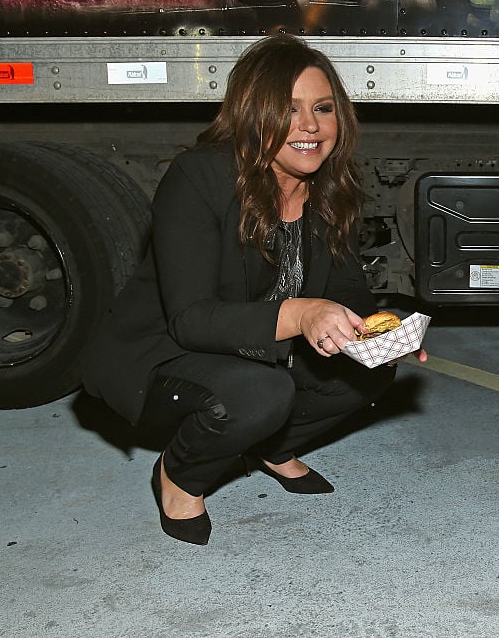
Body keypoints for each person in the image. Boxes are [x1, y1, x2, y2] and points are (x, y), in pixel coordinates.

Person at [81, 34, 426, 546]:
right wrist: (302, 314)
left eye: (323, 108)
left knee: (369, 371)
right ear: (251, 113)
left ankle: (271, 446)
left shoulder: (331, 190)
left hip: (256, 351)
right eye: (288, 109)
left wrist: (383, 334)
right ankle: (179, 475)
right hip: (164, 354)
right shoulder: (199, 177)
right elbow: (191, 318)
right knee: (261, 392)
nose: (310, 125)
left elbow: (349, 288)